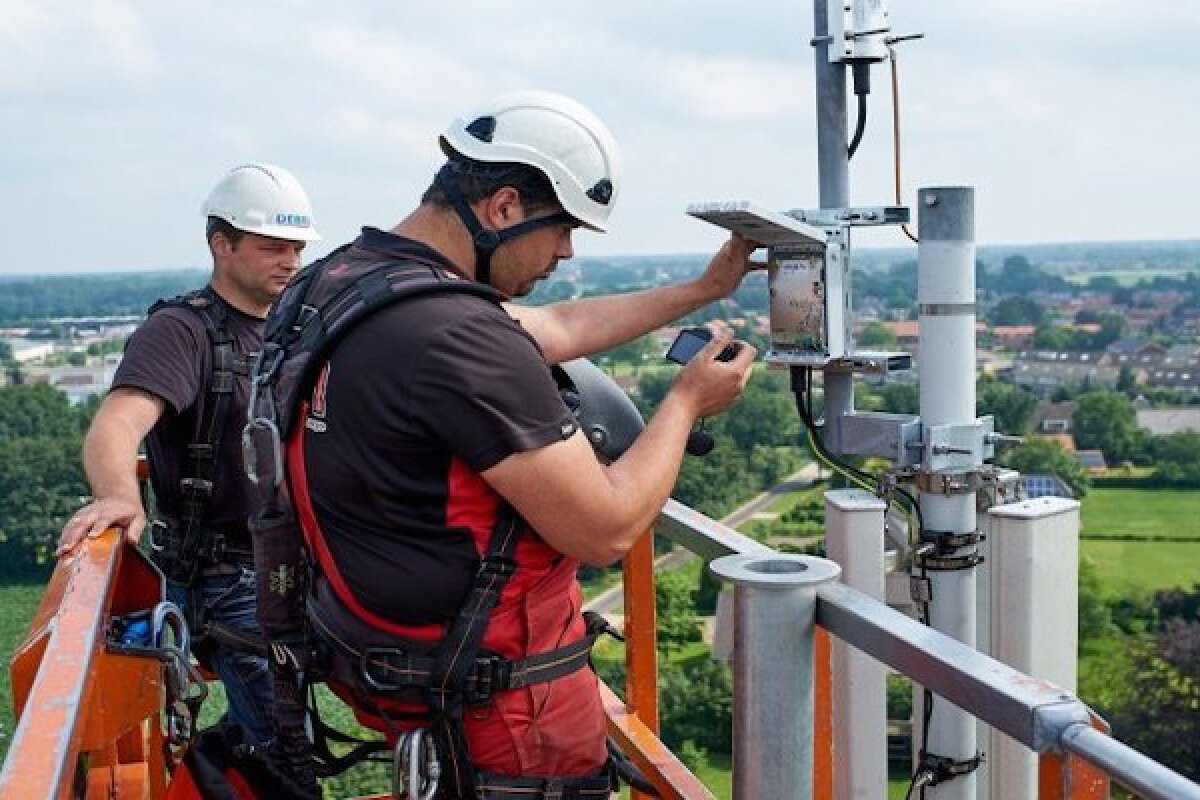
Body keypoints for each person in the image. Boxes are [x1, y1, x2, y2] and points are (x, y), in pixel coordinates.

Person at [294, 90, 758, 795]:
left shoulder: (345, 283)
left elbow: (557, 327)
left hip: (386, 659)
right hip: (502, 707)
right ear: (504, 207)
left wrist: (702, 289)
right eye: (563, 228)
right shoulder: (456, 335)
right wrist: (687, 402)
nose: (567, 252)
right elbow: (606, 529)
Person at [57, 163, 321, 743]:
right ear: (221, 244)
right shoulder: (182, 331)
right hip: (225, 577)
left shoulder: (296, 330)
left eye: (297, 248)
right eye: (272, 246)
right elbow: (117, 422)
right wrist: (120, 496)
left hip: (296, 563)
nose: (290, 261)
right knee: (287, 746)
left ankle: (221, 764)